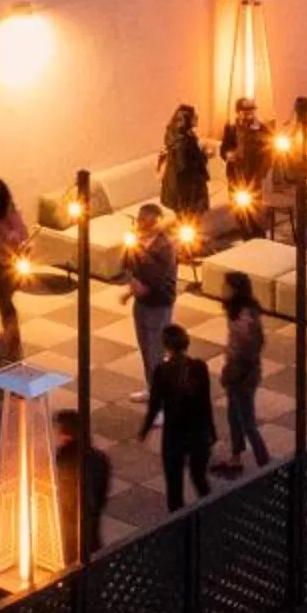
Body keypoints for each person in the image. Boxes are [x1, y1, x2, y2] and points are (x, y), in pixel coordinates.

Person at [142, 327, 217, 510]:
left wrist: (145, 429)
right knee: (199, 477)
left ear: (166, 346)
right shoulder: (200, 367)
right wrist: (211, 431)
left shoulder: (162, 371)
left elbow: (155, 405)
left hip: (175, 432)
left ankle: (178, 525)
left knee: (174, 485)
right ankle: (212, 510)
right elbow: (206, 402)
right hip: (198, 429)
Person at [123, 202, 181, 409]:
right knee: (146, 349)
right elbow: (127, 266)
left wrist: (141, 287)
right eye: (139, 220)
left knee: (157, 352)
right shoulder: (137, 242)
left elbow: (157, 279)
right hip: (141, 303)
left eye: (145, 221)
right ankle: (151, 388)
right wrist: (132, 288)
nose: (140, 224)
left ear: (156, 222)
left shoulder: (164, 247)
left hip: (159, 305)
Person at [218, 271, 269, 474]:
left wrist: (232, 368)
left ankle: (265, 463)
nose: (223, 289)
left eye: (226, 286)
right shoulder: (234, 309)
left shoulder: (245, 316)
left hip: (243, 373)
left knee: (248, 421)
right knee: (233, 415)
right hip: (236, 368)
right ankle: (236, 457)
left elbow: (250, 347)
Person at [0, 175, 33, 356]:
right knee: (3, 303)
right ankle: (10, 337)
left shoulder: (8, 209)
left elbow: (22, 231)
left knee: (5, 303)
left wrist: (12, 237)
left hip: (10, 263)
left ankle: (13, 342)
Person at [52, 406, 112, 567]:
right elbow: (101, 495)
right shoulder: (99, 458)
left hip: (73, 524)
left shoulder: (65, 458)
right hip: (91, 522)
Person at [217, 98, 276, 227]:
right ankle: (245, 235)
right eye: (246, 110)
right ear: (238, 112)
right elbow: (224, 149)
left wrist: (263, 170)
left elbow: (270, 149)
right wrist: (228, 155)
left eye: (252, 110)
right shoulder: (231, 128)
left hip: (253, 175)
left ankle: (257, 235)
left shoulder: (261, 128)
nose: (249, 113)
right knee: (239, 208)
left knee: (254, 208)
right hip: (236, 175)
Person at [158, 105, 212, 223]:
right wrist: (204, 155)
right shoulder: (182, 142)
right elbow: (184, 167)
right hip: (186, 190)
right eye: (194, 116)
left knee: (186, 222)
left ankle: (191, 240)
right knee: (190, 221)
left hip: (177, 187)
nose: (197, 117)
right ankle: (191, 241)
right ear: (186, 119)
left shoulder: (177, 135)